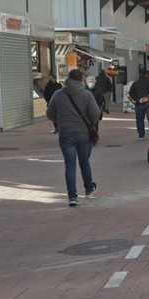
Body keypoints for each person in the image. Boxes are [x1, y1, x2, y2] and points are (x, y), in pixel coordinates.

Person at [46, 69, 101, 206]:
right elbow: (95, 112)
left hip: (65, 133)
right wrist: (90, 123)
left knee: (69, 165)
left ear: (67, 79)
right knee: (84, 162)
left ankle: (72, 196)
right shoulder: (87, 95)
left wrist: (60, 121)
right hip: (83, 133)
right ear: (81, 80)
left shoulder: (58, 94)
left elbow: (50, 114)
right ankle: (89, 189)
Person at [128, 67, 149, 139]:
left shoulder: (135, 83)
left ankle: (141, 134)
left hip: (139, 104)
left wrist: (138, 99)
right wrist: (148, 98)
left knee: (139, 119)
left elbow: (131, 93)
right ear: (146, 74)